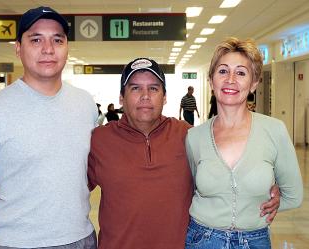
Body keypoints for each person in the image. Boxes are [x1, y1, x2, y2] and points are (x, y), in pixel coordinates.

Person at [87, 57, 280, 249]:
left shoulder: (188, 135)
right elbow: (72, 189)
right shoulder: (100, 139)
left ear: (164, 97)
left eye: (153, 88)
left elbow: (226, 176)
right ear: (122, 97)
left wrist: (268, 190)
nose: (145, 95)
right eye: (135, 88)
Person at [0, 6, 98, 249]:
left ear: (67, 47)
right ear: (18, 49)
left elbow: (85, 167)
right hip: (16, 243)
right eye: (36, 39)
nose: (48, 49)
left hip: (81, 239)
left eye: (57, 40)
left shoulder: (85, 103)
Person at [185, 37, 303, 249]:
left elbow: (294, 196)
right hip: (202, 240)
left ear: (253, 84)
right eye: (222, 71)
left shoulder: (274, 130)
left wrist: (271, 204)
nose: (231, 79)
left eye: (241, 72)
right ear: (211, 81)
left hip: (255, 241)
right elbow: (191, 188)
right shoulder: (195, 137)